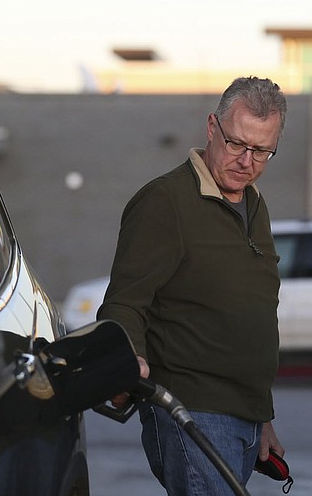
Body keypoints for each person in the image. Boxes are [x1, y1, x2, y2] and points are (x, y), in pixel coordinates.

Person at [97, 76, 287, 495]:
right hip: (191, 412)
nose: (246, 161)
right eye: (237, 144)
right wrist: (129, 360)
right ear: (211, 127)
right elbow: (125, 302)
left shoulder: (255, 204)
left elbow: (253, 312)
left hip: (245, 417)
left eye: (261, 151)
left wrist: (263, 415)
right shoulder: (165, 201)